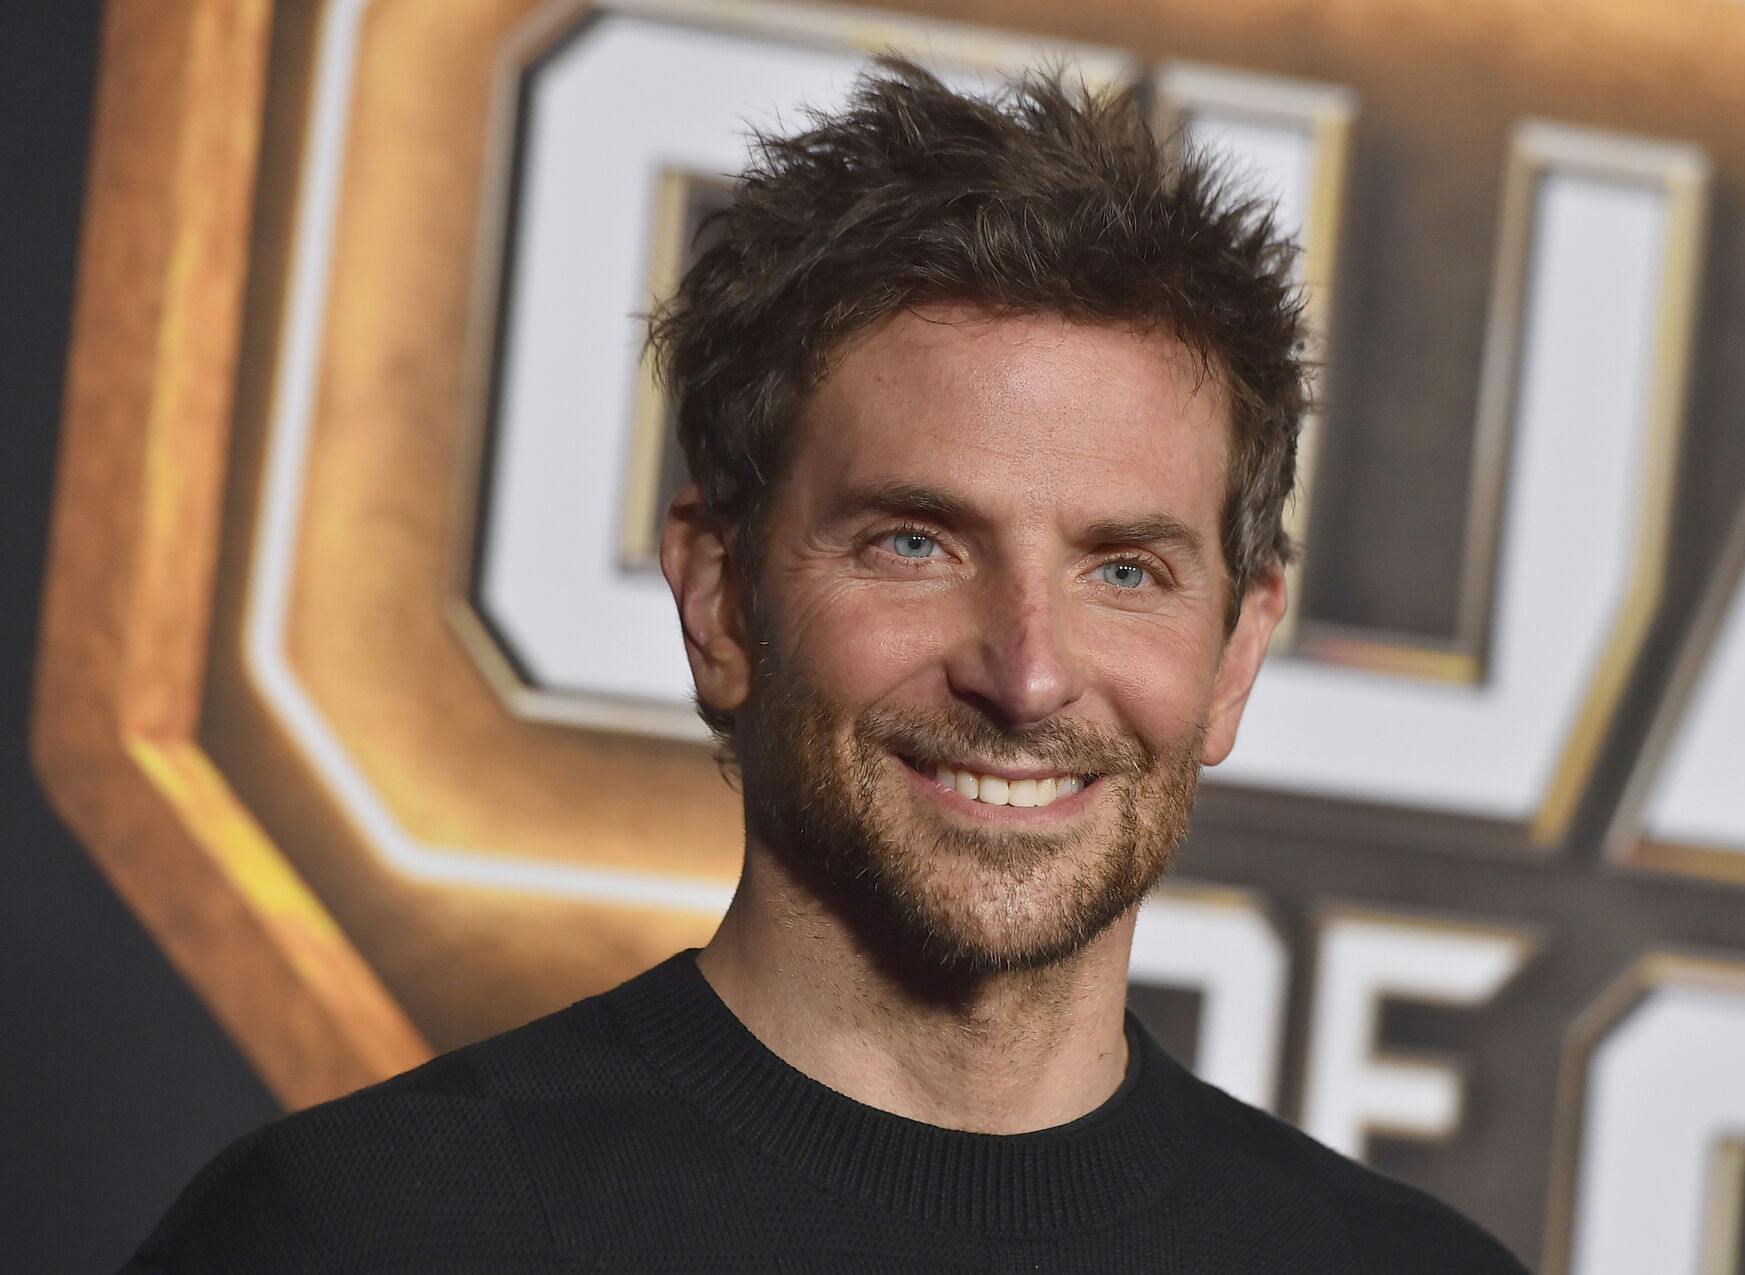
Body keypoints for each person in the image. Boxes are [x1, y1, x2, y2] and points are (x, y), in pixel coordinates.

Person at [127, 58, 1529, 1274]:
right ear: (722, 595)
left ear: (1236, 654)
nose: (1028, 676)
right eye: (915, 544)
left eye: (1125, 571)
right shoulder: (363, 1238)